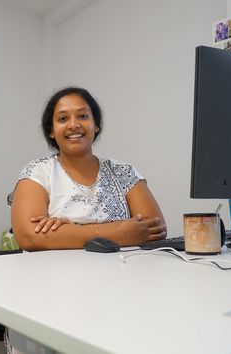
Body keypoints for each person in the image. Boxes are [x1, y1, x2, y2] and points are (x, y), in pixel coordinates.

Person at [10, 87, 166, 251]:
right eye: (63, 119)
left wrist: (69, 231)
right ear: (51, 131)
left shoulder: (123, 172)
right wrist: (119, 232)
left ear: (96, 125)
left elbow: (156, 230)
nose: (73, 125)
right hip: (57, 275)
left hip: (122, 273)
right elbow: (29, 237)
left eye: (83, 116)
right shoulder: (37, 172)